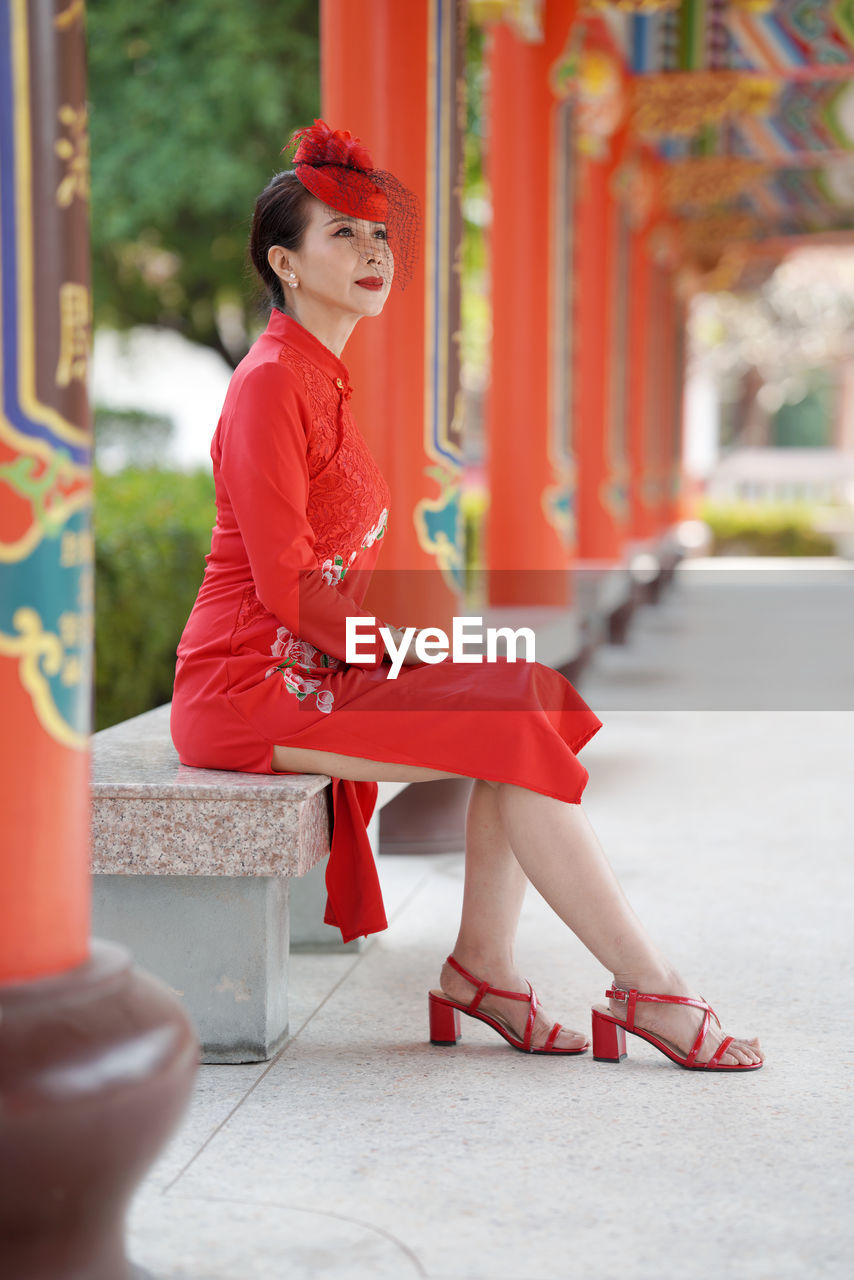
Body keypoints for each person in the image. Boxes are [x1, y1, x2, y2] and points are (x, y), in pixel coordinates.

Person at [171, 120, 763, 1071]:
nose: (373, 253)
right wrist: (418, 653)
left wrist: (443, 644)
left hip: (316, 660)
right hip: (251, 682)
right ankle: (650, 989)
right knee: (509, 712)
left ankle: (483, 968)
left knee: (523, 688)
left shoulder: (321, 377)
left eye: (380, 236)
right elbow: (285, 585)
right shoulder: (271, 385)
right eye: (342, 235)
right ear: (283, 263)